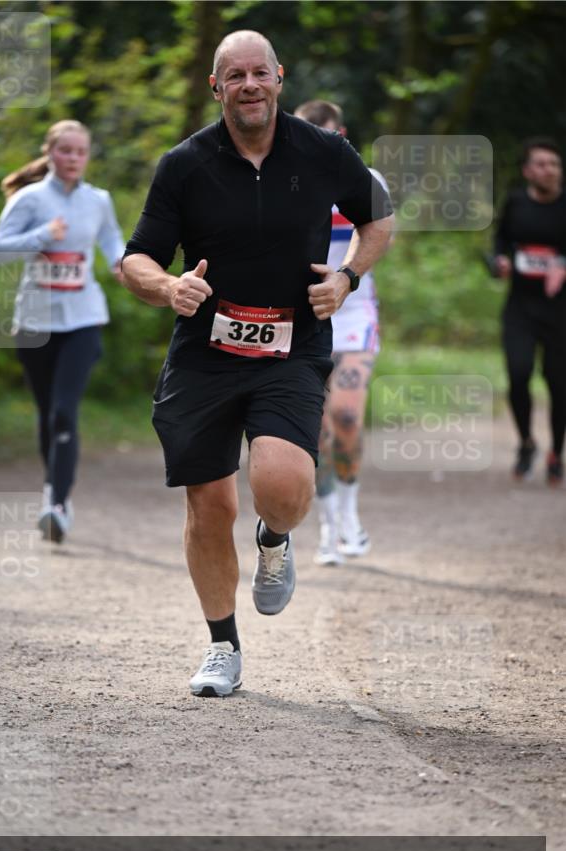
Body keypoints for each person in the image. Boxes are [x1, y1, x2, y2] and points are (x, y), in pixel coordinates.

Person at [121, 31, 393, 696]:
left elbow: (378, 220)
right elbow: (136, 257)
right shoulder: (185, 164)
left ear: (279, 78)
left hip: (291, 348)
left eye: (259, 73)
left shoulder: (323, 151)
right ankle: (222, 646)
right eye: (235, 75)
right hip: (205, 354)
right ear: (216, 87)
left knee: (282, 483)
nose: (249, 85)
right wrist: (169, 287)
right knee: (209, 505)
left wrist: (347, 279)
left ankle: (275, 538)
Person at [0, 120, 125, 541]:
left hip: (83, 318)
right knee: (48, 412)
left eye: (80, 152)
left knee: (65, 410)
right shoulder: (29, 199)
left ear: (88, 156)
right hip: (35, 322)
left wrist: (123, 265)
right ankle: (53, 488)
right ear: (49, 153)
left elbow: (112, 241)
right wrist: (43, 235)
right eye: (65, 150)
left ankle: (57, 503)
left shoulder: (98, 200)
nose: (73, 159)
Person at [295, 99, 390, 565]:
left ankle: (351, 516)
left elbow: (377, 234)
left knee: (347, 418)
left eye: (327, 134)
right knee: (315, 430)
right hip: (303, 317)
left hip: (353, 316)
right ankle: (328, 526)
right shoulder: (285, 180)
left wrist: (344, 275)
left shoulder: (367, 180)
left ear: (342, 134)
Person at [494, 137, 566, 485]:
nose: (549, 170)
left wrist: (563, 266)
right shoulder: (516, 202)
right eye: (541, 164)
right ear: (527, 171)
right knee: (518, 373)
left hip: (560, 312)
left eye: (554, 164)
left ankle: (556, 452)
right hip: (520, 307)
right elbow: (500, 241)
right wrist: (500, 261)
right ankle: (526, 442)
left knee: (559, 383)